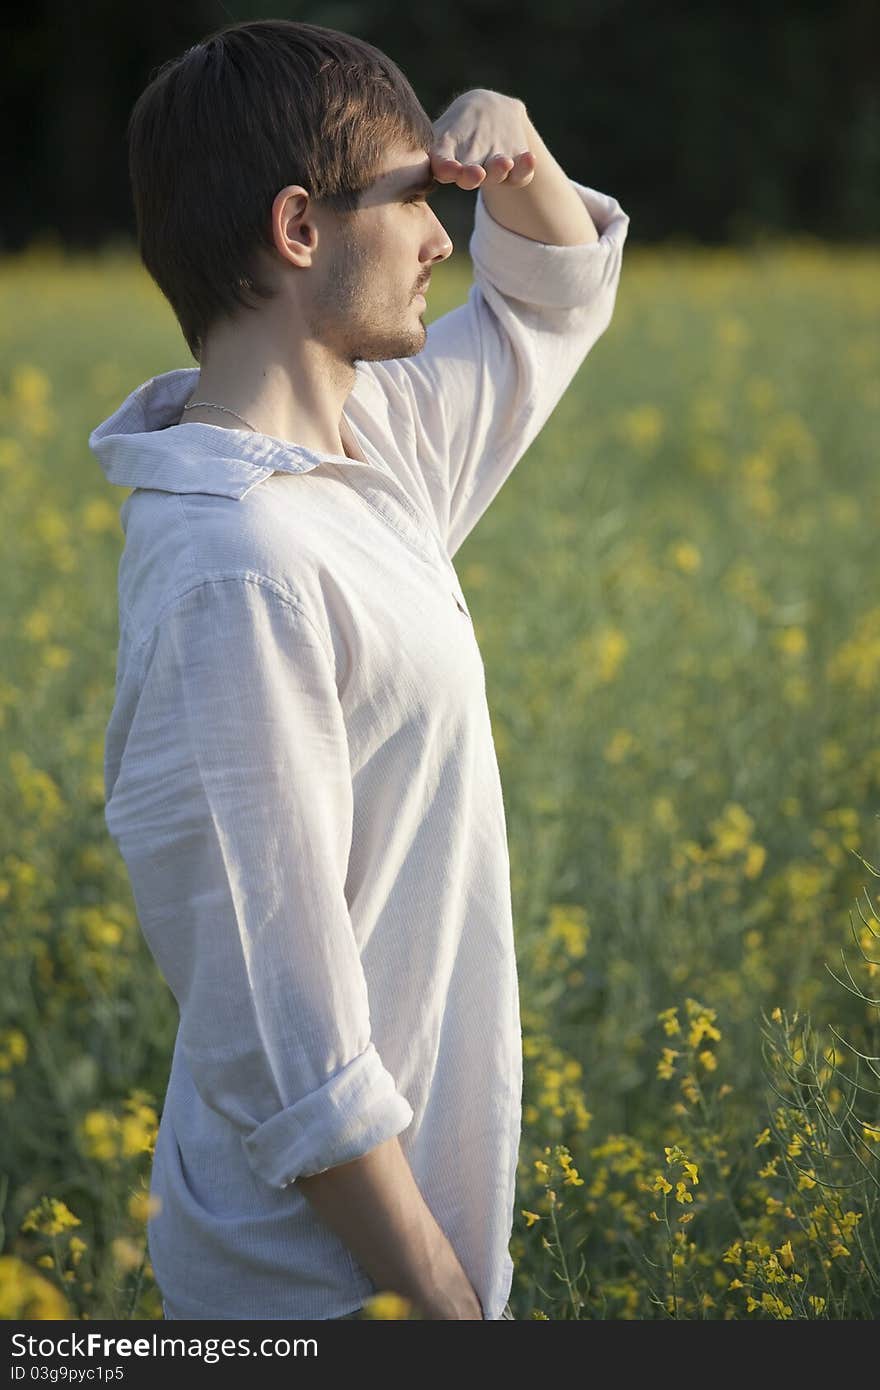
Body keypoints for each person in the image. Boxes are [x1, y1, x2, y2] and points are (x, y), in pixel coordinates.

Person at [89, 18, 629, 1322]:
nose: (445, 236)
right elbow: (287, 1038)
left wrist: (515, 139)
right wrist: (447, 1303)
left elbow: (553, 295)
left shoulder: (362, 456)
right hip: (317, 1294)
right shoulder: (236, 564)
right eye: (411, 198)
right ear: (298, 229)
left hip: (390, 1272)